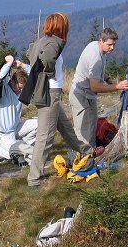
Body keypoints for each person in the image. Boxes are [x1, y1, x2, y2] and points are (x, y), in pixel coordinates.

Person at [22, 12, 94, 187]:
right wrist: (49, 70)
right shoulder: (54, 42)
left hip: (47, 93)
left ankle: (87, 153)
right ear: (61, 27)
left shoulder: (42, 41)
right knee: (45, 137)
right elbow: (47, 58)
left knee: (67, 129)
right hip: (50, 93)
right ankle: (34, 178)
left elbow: (29, 51)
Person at [69, 27, 128, 150]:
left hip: (87, 95)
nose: (112, 48)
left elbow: (96, 72)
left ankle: (91, 154)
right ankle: (82, 158)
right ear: (101, 41)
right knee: (83, 132)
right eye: (109, 44)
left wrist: (108, 79)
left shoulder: (94, 46)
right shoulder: (95, 57)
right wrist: (117, 86)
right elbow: (95, 87)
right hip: (82, 96)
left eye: (114, 44)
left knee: (91, 128)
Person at [0, 55, 37, 166]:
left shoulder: (20, 92)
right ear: (12, 82)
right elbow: (1, 76)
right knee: (14, 152)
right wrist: (9, 62)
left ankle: (19, 147)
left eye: (22, 88)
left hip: (15, 129)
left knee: (40, 124)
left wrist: (21, 65)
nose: (21, 90)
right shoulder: (5, 90)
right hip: (1, 133)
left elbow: (34, 75)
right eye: (19, 87)